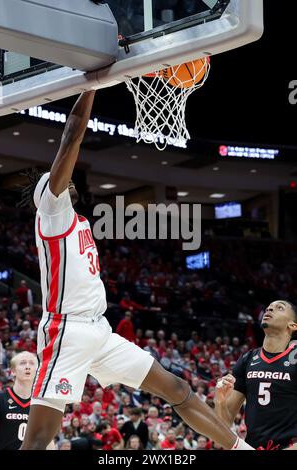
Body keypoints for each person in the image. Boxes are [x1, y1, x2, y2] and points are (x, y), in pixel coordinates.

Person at [19, 91, 252, 451]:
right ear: (49, 194)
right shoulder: (52, 212)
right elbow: (72, 135)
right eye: (57, 177)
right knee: (38, 439)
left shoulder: (79, 221)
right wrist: (93, 84)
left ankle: (240, 448)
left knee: (175, 388)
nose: (65, 175)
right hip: (67, 329)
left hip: (99, 329)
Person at [214, 300, 297, 450]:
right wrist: (219, 401)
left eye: (279, 308)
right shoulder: (247, 359)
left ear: (292, 325)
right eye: (269, 307)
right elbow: (223, 427)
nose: (270, 309)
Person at [0, 351, 53, 450]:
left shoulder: (43, 404)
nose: (27, 367)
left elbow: (48, 441)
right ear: (13, 371)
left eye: (31, 363)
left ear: (37, 371)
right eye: (23, 363)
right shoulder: (0, 399)